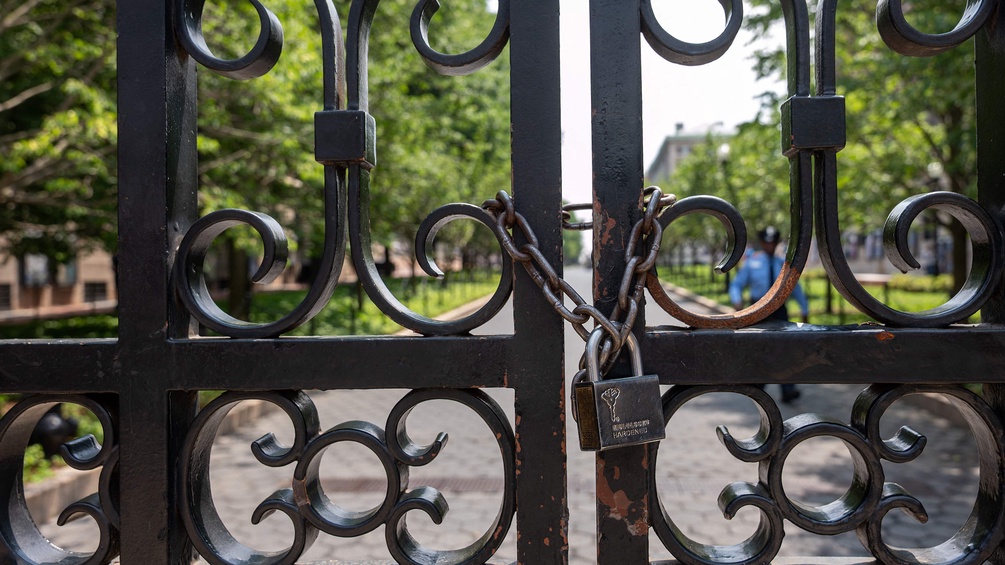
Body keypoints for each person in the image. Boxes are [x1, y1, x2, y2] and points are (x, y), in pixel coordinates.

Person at [728, 226, 808, 403]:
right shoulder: (752, 263)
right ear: (762, 243)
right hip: (758, 308)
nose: (770, 246)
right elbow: (737, 285)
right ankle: (758, 385)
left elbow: (795, 289)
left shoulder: (783, 265)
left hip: (780, 310)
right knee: (760, 347)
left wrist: (804, 309)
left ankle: (787, 388)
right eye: (766, 242)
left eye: (773, 243)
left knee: (784, 348)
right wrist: (737, 300)